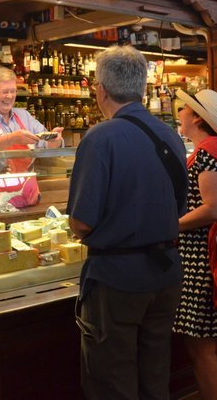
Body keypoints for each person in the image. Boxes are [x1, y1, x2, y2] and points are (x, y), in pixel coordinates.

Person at [67, 45, 187, 400]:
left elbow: (81, 223)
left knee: (112, 382)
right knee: (155, 375)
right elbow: (177, 206)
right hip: (165, 273)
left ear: (100, 89)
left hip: (117, 279)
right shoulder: (169, 134)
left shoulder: (100, 137)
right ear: (142, 88)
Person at [173, 89, 217, 400]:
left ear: (198, 117)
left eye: (184, 108)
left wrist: (171, 226)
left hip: (204, 262)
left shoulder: (205, 154)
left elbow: (213, 208)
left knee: (202, 348)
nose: (180, 112)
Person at [0, 65, 63, 150]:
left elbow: (45, 145)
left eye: (13, 91)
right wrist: (9, 140)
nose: (9, 96)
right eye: (4, 92)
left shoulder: (25, 116)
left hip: (25, 176)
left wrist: (55, 139)